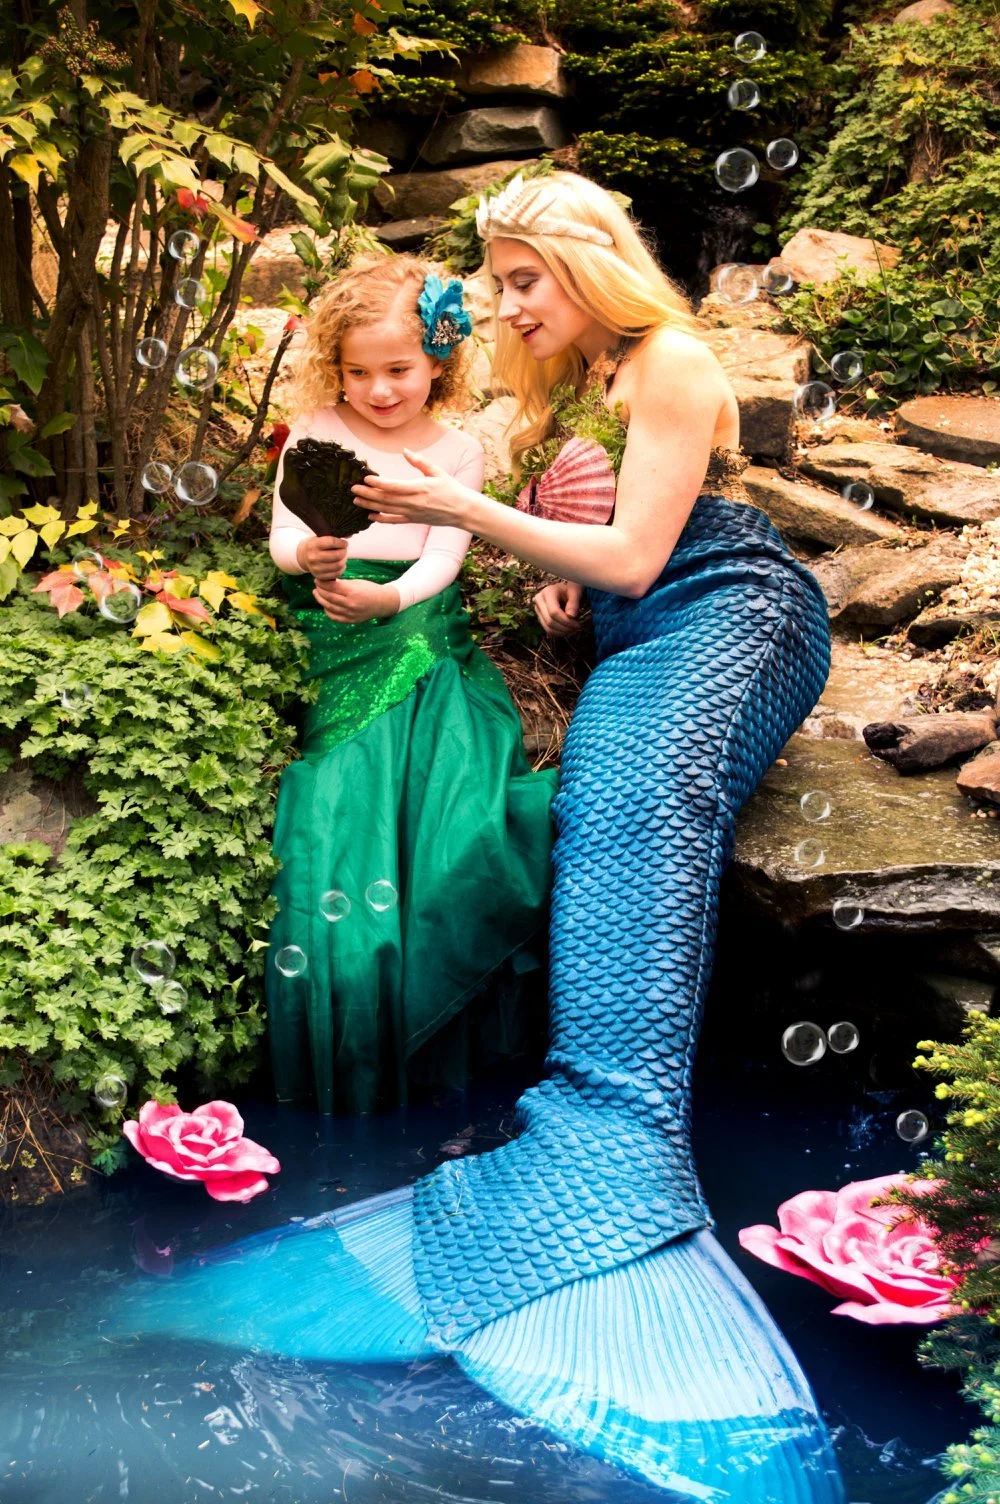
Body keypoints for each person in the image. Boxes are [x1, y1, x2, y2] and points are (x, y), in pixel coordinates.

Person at [130, 180, 845, 1501]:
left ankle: (607, 1149)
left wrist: (483, 525)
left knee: (632, 807)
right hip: (636, 630)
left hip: (731, 609)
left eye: (523, 278)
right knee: (589, 805)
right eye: (497, 282)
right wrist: (558, 571)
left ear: (589, 259)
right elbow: (603, 546)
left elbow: (646, 552)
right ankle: (579, 1143)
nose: (504, 304)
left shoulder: (675, 356)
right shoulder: (583, 378)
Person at [266, 253, 556, 1117]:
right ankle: (344, 1020)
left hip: (416, 639)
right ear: (334, 369)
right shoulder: (317, 433)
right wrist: (309, 557)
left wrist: (386, 596)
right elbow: (285, 537)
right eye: (358, 372)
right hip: (328, 632)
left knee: (447, 820)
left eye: (397, 370)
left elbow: (441, 561)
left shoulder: (454, 452)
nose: (380, 390)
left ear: (439, 359)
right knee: (337, 815)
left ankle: (431, 1014)